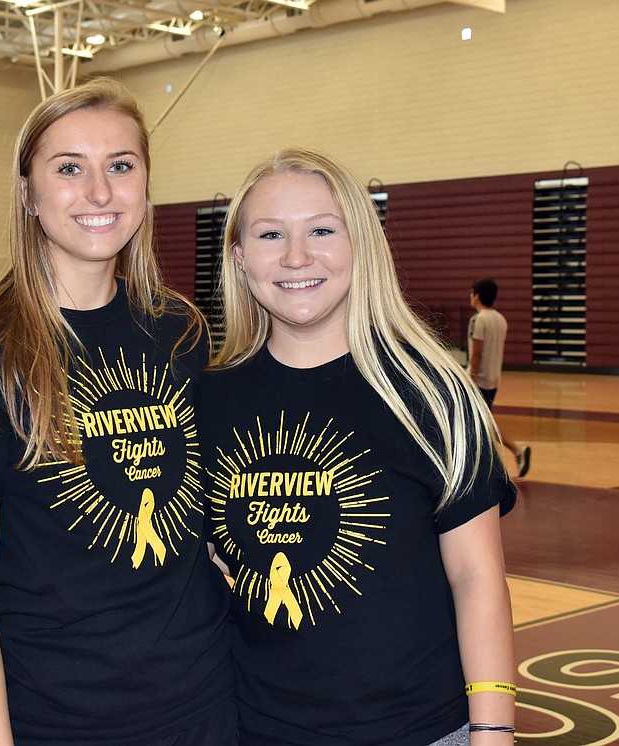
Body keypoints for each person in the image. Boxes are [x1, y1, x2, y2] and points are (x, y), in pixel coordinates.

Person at [0, 78, 234, 745]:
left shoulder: (180, 331)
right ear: (27, 193)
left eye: (121, 165)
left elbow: (198, 514)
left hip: (201, 706)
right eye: (69, 169)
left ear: (145, 183)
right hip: (55, 719)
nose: (100, 192)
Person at [201, 147, 517, 745]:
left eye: (322, 230)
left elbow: (478, 577)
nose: (297, 256)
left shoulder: (432, 396)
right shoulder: (207, 404)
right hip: (257, 729)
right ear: (240, 257)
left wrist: (494, 729)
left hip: (423, 730)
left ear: (360, 245)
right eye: (271, 234)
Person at [468, 278, 531, 477]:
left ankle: (515, 450)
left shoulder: (478, 320)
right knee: (482, 423)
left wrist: (469, 380)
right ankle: (513, 452)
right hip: (493, 380)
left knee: (478, 423)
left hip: (478, 380)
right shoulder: (501, 320)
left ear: (477, 296)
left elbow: (476, 354)